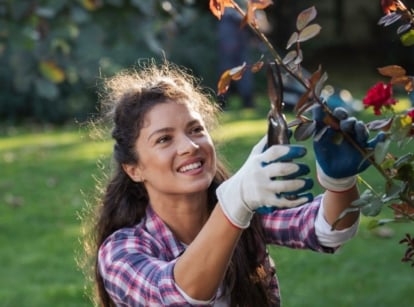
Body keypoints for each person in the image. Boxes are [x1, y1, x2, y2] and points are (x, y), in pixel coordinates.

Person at [82, 60, 384, 306]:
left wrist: (339, 182)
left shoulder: (244, 214)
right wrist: (234, 203)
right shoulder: (121, 253)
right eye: (164, 139)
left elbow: (327, 229)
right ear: (134, 169)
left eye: (196, 129)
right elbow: (175, 297)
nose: (189, 146)